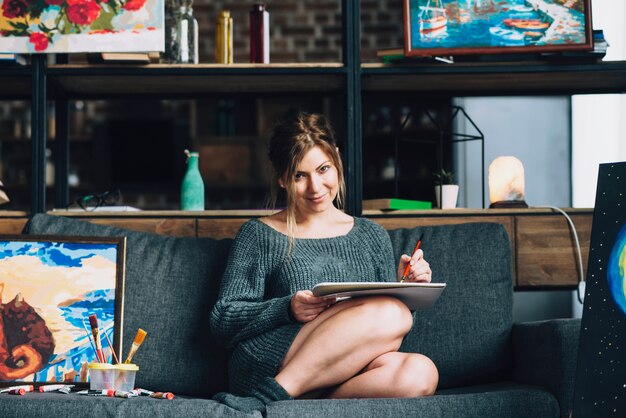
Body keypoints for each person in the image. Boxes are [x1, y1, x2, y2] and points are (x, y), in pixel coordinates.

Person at [210, 112, 438, 412]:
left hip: (346, 367)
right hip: (274, 358)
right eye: (299, 175)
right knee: (394, 312)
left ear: (338, 162)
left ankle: (302, 403)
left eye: (323, 169)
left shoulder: (371, 235)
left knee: (421, 373)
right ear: (282, 178)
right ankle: (271, 393)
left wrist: (407, 288)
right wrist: (287, 308)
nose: (315, 187)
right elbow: (223, 320)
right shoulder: (259, 234)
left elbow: (392, 328)